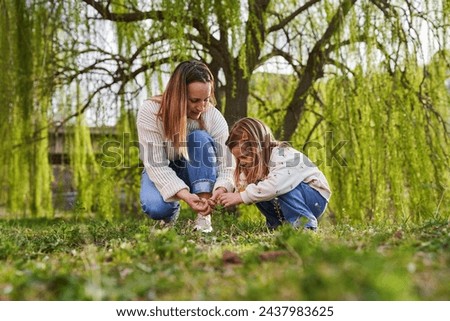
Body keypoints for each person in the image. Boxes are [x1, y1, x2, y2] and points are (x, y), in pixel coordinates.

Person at [137, 60, 234, 232]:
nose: (202, 107)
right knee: (156, 207)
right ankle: (169, 215)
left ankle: (203, 218)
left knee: (200, 138)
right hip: (161, 167)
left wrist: (221, 187)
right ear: (178, 96)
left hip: (198, 169)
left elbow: (227, 162)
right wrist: (185, 195)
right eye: (195, 100)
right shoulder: (151, 112)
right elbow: (156, 164)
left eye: (206, 99)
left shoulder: (213, 117)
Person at [218, 117, 331, 231]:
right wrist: (225, 194)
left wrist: (241, 197)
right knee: (256, 189)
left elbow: (276, 185)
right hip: (293, 196)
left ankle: (304, 225)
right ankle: (277, 225)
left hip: (314, 198)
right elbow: (242, 186)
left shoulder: (283, 155)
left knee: (273, 187)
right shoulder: (257, 164)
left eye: (243, 156)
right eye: (238, 158)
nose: (241, 162)